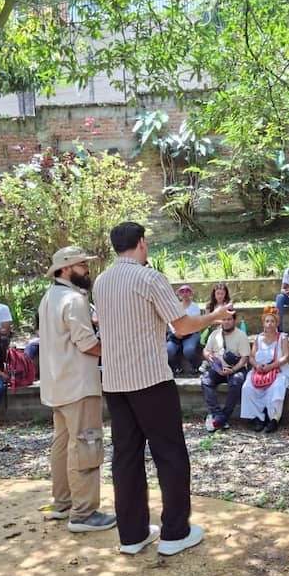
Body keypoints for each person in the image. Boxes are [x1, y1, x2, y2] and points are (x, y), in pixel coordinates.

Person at [93, 222, 234, 557]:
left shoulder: (101, 281)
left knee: (125, 457)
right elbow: (182, 325)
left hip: (114, 382)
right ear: (141, 243)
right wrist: (215, 315)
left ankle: (132, 535)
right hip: (150, 380)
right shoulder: (149, 277)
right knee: (170, 455)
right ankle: (174, 532)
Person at [38, 246, 116, 535]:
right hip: (79, 385)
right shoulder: (74, 299)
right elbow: (87, 343)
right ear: (66, 268)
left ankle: (63, 503)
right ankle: (84, 513)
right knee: (86, 444)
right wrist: (114, 349)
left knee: (62, 445)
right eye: (82, 265)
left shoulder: (49, 298)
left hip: (57, 385)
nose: (87, 270)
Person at [241, 306, 289, 433]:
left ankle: (273, 419)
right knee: (247, 387)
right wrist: (256, 365)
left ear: (277, 323)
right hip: (260, 370)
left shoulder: (283, 338)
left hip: (278, 370)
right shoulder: (258, 338)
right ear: (263, 323)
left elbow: (286, 356)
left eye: (272, 321)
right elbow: (251, 356)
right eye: (267, 321)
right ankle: (257, 418)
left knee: (276, 388)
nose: (269, 324)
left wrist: (271, 366)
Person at [201, 312, 250, 432]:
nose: (226, 322)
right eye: (224, 319)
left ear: (234, 320)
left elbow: (245, 358)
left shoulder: (241, 335)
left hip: (235, 368)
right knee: (205, 380)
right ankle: (218, 414)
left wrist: (232, 370)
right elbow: (206, 351)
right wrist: (209, 357)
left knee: (237, 381)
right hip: (218, 368)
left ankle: (223, 417)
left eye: (229, 319)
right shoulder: (215, 334)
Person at [166, 285, 202, 376]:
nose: (185, 294)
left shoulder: (195, 306)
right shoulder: (175, 306)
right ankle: (177, 368)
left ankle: (195, 367)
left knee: (189, 350)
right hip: (176, 334)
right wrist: (175, 332)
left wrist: (184, 331)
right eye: (182, 292)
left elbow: (194, 322)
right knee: (168, 350)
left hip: (191, 333)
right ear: (179, 294)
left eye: (187, 291)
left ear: (190, 293)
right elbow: (171, 320)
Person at [199, 282, 234, 348]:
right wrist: (221, 322)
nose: (220, 296)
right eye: (218, 293)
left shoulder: (228, 305)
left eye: (222, 293)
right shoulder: (209, 305)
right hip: (213, 329)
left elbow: (231, 319)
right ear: (214, 294)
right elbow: (207, 321)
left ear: (225, 294)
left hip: (226, 329)